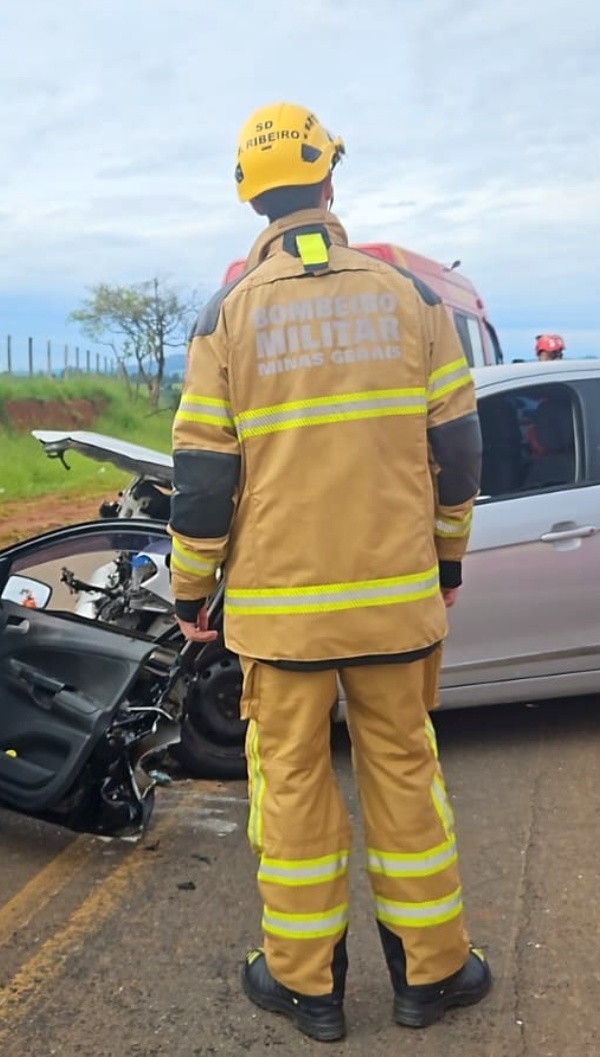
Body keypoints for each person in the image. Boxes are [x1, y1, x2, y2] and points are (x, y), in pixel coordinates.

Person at [166, 102, 491, 1043]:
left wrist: (191, 589)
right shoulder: (412, 301)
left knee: (292, 789)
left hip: (281, 621)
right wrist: (447, 554)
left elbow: (203, 476)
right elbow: (459, 452)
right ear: (330, 180)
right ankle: (432, 975)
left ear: (250, 198)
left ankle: (308, 987)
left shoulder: (227, 316)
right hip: (395, 606)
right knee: (405, 775)